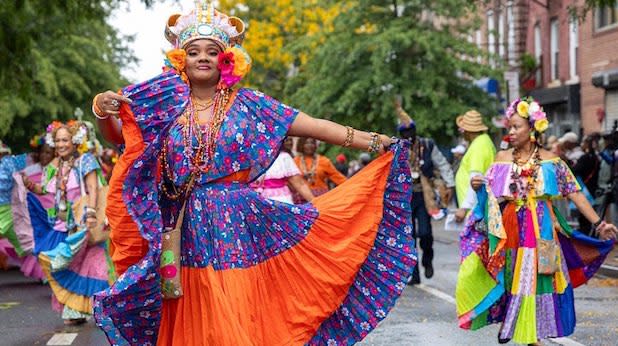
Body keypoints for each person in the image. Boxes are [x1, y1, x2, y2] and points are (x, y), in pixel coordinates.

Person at [91, 2, 416, 344]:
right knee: (193, 306)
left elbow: (314, 126)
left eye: (212, 51)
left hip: (239, 224)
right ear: (179, 58)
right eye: (193, 51)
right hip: (183, 227)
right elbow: (122, 138)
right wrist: (102, 111)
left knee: (234, 309)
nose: (203, 57)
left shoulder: (251, 104)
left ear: (226, 58)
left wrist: (375, 141)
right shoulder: (163, 104)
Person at [456, 97, 617, 345]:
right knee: (510, 274)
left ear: (532, 128)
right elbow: (491, 196)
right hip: (509, 226)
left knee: (536, 276)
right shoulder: (501, 158)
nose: (511, 132)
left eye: (516, 127)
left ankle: (529, 334)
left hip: (540, 227)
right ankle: (512, 321)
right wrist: (479, 188)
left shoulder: (552, 161)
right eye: (509, 127)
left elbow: (574, 192)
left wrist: (599, 224)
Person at [23, 121, 112, 325]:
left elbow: (93, 189)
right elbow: (47, 190)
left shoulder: (86, 161)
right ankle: (75, 309)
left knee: (90, 267)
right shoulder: (57, 165)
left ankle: (101, 307)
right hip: (63, 225)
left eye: (65, 140)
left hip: (84, 225)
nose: (61, 144)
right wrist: (31, 186)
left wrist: (89, 214)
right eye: (57, 140)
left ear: (75, 141)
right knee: (65, 266)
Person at [395, 101, 454, 283]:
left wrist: (449, 184)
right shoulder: (397, 148)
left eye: (410, 131)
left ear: (415, 130)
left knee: (426, 233)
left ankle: (427, 259)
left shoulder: (427, 145)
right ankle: (414, 274)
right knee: (409, 235)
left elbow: (442, 164)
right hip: (405, 197)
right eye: (404, 133)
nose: (408, 135)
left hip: (424, 195)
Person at [453, 110, 496, 223]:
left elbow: (476, 178)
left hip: (475, 210)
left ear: (467, 131)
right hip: (477, 208)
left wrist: (464, 208)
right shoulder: (483, 141)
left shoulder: (479, 146)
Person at [251, 140, 314, 204]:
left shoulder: (283, 157)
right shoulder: (247, 159)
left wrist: (316, 205)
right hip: (253, 202)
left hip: (280, 201)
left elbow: (300, 184)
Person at [572, 134, 601, 234]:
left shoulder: (585, 158)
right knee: (589, 216)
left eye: (584, 142)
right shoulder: (596, 158)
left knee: (584, 217)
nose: (582, 144)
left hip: (585, 190)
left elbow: (575, 170)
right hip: (592, 188)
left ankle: (586, 238)